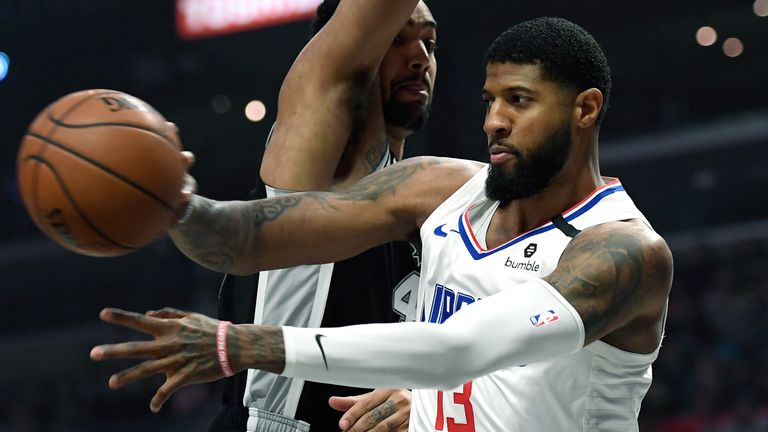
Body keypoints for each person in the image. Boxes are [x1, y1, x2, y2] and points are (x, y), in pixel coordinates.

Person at [91, 17, 673, 430]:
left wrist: (238, 343)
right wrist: (175, 204)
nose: (494, 121)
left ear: (585, 109)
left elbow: (459, 348)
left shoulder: (624, 252)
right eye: (488, 100)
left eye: (518, 100)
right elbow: (247, 238)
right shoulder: (437, 189)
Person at [210, 0, 437, 430]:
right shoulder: (327, 166)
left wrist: (424, 402)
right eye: (397, 39)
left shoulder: (434, 202)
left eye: (430, 42)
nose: (420, 57)